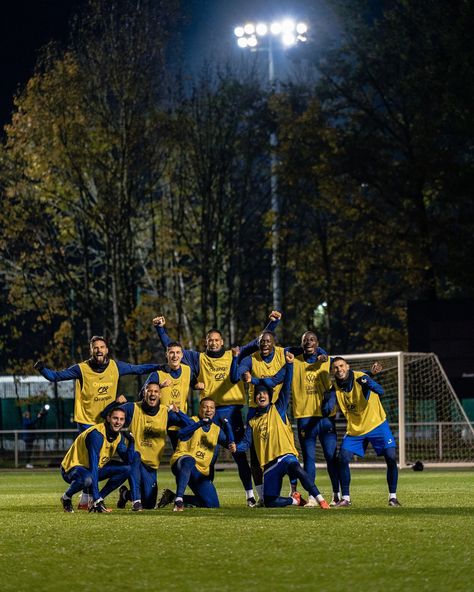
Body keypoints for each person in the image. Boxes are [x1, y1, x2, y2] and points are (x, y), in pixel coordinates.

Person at [152, 312, 281, 506]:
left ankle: (250, 496)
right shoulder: (199, 358)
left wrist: (273, 322)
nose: (213, 343)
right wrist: (160, 329)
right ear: (206, 343)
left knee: (238, 454)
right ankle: (206, 490)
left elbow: (258, 341)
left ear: (222, 342)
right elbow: (172, 349)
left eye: (216, 340)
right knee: (207, 453)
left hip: (232, 412)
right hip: (209, 413)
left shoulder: (233, 354)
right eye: (210, 340)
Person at [35, 335, 163, 509]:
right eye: (95, 347)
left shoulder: (115, 367)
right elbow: (56, 376)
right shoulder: (81, 369)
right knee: (91, 463)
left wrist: (161, 367)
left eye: (102, 347)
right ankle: (91, 498)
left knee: (120, 461)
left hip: (108, 421)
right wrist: (42, 369)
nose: (99, 350)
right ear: (91, 350)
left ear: (107, 349)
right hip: (87, 422)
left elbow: (138, 369)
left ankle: (100, 498)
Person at [234, 328, 331, 503]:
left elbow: (309, 348)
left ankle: (297, 491)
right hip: (254, 411)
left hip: (276, 409)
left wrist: (323, 354)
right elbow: (238, 371)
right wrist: (242, 372)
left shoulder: (284, 353)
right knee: (255, 458)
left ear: (274, 344)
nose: (265, 344)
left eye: (268, 341)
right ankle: (262, 496)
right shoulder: (251, 359)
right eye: (262, 341)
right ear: (258, 343)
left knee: (286, 450)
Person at [103, 381, 192, 511]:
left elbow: (189, 425)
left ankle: (125, 494)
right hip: (134, 457)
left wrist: (179, 412)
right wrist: (115, 404)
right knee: (135, 456)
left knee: (149, 504)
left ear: (160, 395)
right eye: (149, 391)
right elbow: (107, 415)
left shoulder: (165, 412)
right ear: (144, 393)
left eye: (156, 391)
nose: (152, 394)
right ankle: (136, 501)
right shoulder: (132, 408)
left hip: (151, 464)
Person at [325, 357, 401, 507]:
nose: (339, 369)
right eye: (335, 367)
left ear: (347, 367)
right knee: (342, 459)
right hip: (356, 429)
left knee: (391, 457)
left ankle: (393, 497)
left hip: (377, 424)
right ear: (332, 371)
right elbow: (327, 408)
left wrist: (368, 383)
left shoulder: (361, 378)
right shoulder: (334, 388)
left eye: (341, 366)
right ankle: (345, 498)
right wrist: (327, 403)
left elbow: (381, 391)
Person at [156, 397, 234, 512]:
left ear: (215, 411)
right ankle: (179, 500)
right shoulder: (191, 421)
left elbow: (230, 444)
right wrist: (177, 412)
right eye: (205, 407)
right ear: (199, 408)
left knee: (212, 504)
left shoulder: (216, 430)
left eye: (211, 407)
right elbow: (181, 433)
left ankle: (171, 496)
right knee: (190, 460)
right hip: (182, 462)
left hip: (200, 471)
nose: (208, 410)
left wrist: (227, 426)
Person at [60, 407, 133, 513]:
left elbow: (129, 460)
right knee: (87, 479)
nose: (118, 422)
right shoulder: (96, 434)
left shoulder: (118, 437)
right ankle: (66, 497)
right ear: (108, 418)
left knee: (126, 469)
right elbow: (93, 465)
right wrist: (95, 496)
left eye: (121, 419)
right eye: (115, 418)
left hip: (91, 469)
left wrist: (132, 442)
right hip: (72, 468)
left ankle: (98, 500)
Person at [140, 341, 193, 450]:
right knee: (152, 452)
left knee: (180, 453)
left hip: (180, 418)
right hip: (161, 419)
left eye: (178, 352)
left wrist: (198, 384)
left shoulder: (188, 370)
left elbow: (194, 382)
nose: (175, 356)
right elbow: (141, 394)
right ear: (166, 355)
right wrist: (159, 386)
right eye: (171, 352)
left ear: (182, 355)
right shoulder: (157, 373)